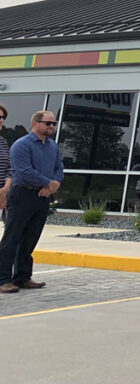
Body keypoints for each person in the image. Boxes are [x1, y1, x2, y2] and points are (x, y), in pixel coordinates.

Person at [0, 110, 63, 293]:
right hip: (22, 195)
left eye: (53, 123)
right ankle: (3, 279)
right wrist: (48, 182)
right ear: (35, 124)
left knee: (30, 239)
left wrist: (53, 185)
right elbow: (24, 171)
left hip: (42, 197)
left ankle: (22, 277)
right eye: (48, 123)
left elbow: (59, 167)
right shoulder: (22, 145)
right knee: (12, 238)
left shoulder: (52, 146)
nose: (52, 127)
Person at [0, 103, 12, 223]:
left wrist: (5, 190)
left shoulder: (3, 142)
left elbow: (9, 168)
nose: (2, 120)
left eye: (3, 117)